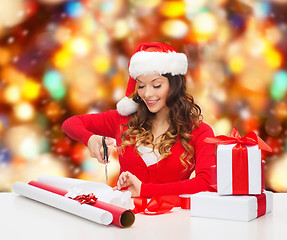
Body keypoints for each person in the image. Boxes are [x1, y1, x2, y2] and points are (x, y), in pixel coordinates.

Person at [62, 42, 216, 198]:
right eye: (141, 86)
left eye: (156, 85)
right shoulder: (123, 120)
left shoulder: (200, 131)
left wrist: (145, 191)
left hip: (174, 220)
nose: (147, 94)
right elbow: (71, 123)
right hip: (125, 218)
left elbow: (206, 182)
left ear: (175, 85)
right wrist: (89, 139)